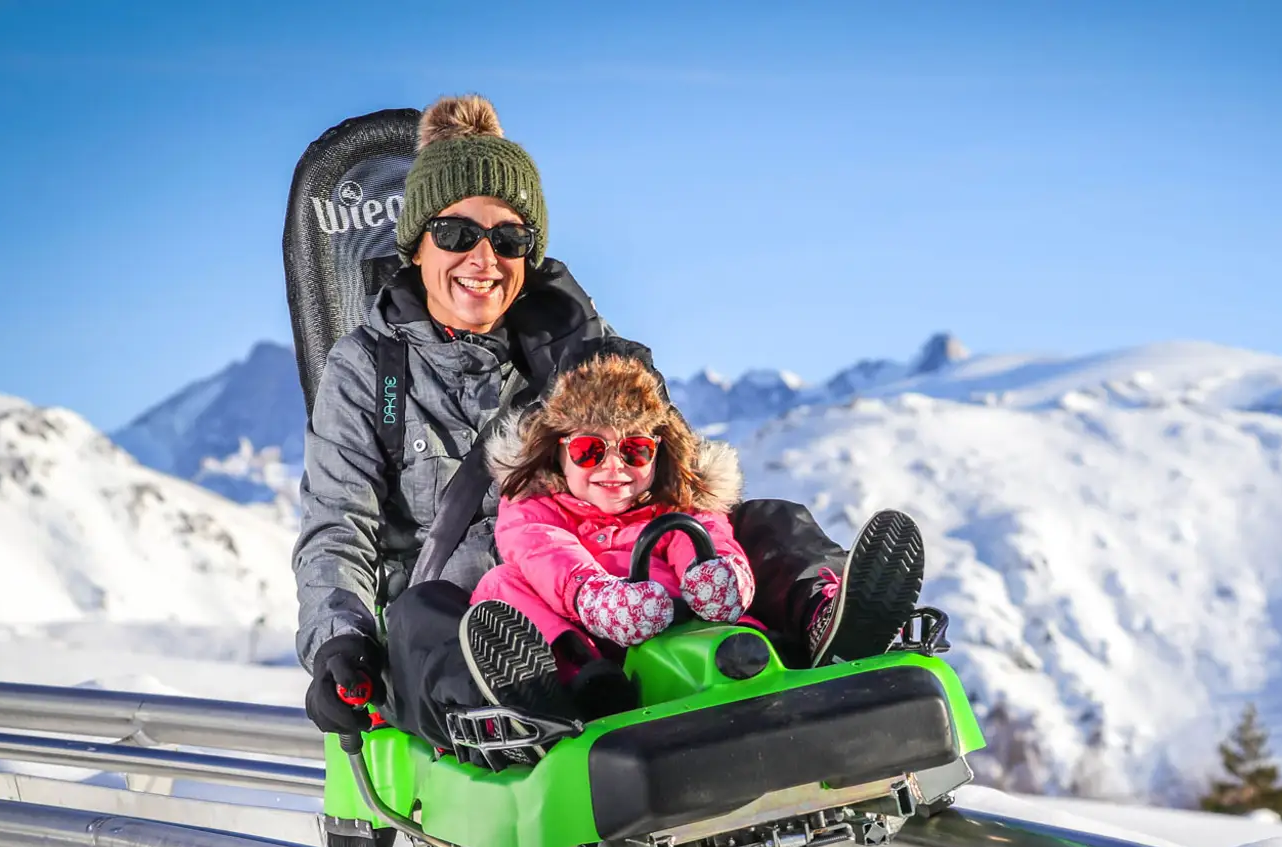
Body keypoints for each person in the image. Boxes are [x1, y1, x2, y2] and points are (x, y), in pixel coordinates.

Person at [294, 93, 924, 747]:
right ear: (417, 244)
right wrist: (340, 643)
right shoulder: (371, 371)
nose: (484, 259)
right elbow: (338, 529)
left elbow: (671, 462)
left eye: (508, 239)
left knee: (769, 520)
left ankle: (829, 622)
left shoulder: (571, 344)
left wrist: (592, 365)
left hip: (612, 587)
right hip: (483, 614)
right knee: (423, 619)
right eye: (457, 234)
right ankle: (522, 698)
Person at [463, 351, 756, 725]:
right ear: (559, 452)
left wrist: (711, 573)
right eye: (590, 451)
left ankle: (799, 631)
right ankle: (552, 694)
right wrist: (594, 596)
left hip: (684, 636)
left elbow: (702, 533)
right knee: (499, 585)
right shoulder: (536, 507)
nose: (614, 466)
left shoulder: (674, 503)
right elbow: (544, 549)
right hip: (592, 657)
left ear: (657, 453)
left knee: (759, 532)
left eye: (635, 450)